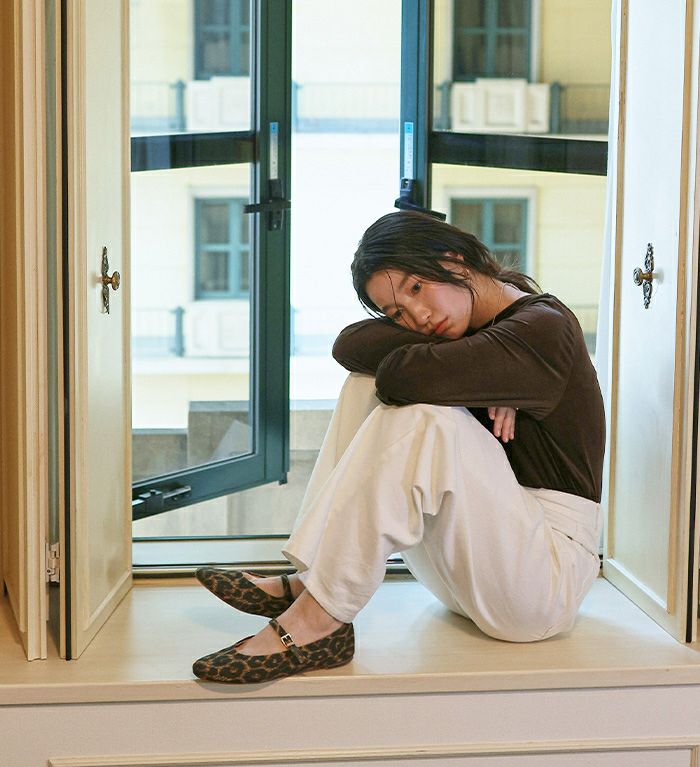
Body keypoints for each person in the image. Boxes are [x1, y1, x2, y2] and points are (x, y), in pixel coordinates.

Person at [192, 210, 605, 684]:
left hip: (545, 576)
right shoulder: (479, 333)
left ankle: (319, 620)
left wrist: (474, 369)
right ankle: (315, 578)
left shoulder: (543, 327)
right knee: (363, 383)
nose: (418, 316)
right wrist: (479, 369)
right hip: (476, 568)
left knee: (427, 415)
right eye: (396, 313)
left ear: (454, 259)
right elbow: (350, 344)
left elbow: (403, 377)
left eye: (416, 287)